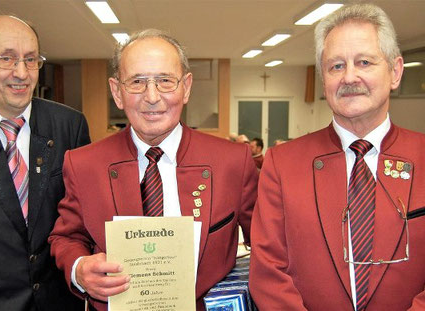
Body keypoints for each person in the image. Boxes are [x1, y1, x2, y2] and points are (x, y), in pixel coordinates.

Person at [48, 29, 258, 311]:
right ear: (117, 92)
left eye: (165, 81)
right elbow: (66, 237)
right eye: (137, 82)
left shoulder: (233, 161)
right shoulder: (83, 164)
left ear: (186, 87)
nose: (152, 96)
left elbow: (266, 247)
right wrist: (79, 268)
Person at [249, 3, 425, 311]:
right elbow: (268, 273)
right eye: (336, 66)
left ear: (395, 72)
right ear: (324, 79)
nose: (349, 77)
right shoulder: (282, 164)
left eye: (365, 62)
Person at [0, 15, 90, 310]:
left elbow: (82, 220)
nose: (22, 73)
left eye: (31, 59)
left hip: (58, 302)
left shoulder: (69, 126)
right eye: (7, 59)